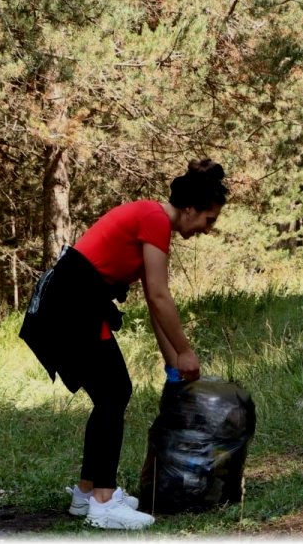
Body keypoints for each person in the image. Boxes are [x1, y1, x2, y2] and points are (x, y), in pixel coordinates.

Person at [19, 159, 228, 529]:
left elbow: (153, 300)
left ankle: (87, 494)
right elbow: (162, 298)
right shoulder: (154, 218)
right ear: (190, 208)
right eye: (209, 219)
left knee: (111, 393)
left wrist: (172, 363)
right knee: (114, 393)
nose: (208, 229)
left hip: (78, 302)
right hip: (69, 303)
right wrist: (186, 352)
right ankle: (103, 502)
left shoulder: (153, 219)